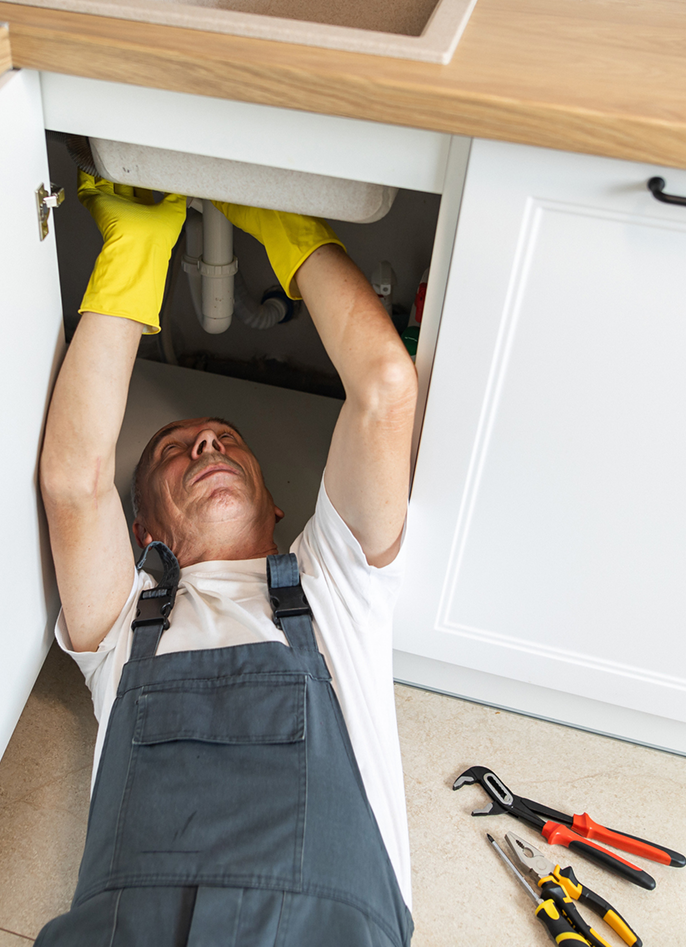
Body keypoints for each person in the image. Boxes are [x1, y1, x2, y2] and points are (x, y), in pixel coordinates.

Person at [36, 172, 418, 946]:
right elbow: (74, 482)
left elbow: (384, 386)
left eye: (226, 442)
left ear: (278, 508)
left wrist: (286, 228)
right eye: (175, 453)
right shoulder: (124, 618)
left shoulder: (337, 586)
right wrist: (133, 255)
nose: (206, 443)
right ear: (143, 532)